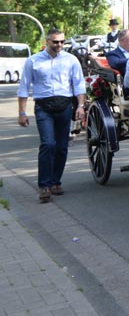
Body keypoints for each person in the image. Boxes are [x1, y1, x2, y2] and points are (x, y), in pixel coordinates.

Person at [17, 29, 86, 203]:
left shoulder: (71, 60)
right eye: (56, 42)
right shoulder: (33, 61)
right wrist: (22, 112)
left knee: (62, 146)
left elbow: (78, 85)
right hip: (43, 107)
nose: (59, 45)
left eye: (62, 42)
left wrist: (81, 106)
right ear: (47, 41)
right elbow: (24, 87)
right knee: (48, 144)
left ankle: (56, 182)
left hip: (64, 106)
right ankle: (44, 186)